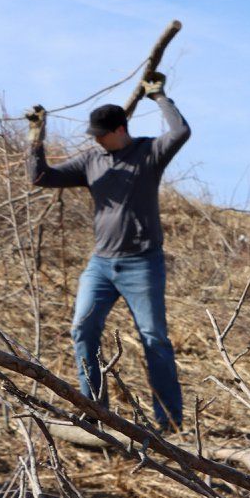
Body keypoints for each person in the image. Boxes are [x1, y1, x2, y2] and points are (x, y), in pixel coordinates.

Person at [25, 73, 191, 430]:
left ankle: (169, 422)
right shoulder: (91, 161)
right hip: (100, 265)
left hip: (143, 263)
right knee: (82, 330)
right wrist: (36, 137)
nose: (96, 140)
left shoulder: (149, 152)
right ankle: (96, 412)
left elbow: (180, 132)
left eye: (101, 134)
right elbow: (40, 178)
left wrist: (160, 97)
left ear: (119, 130)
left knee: (153, 338)